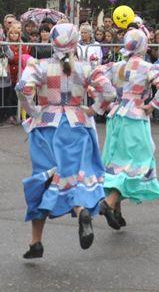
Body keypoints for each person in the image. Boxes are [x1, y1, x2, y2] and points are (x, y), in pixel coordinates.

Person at [15, 24, 117, 258]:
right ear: (75, 41)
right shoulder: (87, 67)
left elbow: (23, 88)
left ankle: (36, 242)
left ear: (52, 41)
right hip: (77, 124)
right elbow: (109, 93)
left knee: (44, 179)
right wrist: (93, 110)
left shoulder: (39, 66)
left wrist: (33, 111)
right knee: (71, 176)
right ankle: (80, 210)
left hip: (46, 127)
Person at [98, 29, 159, 230]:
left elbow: (96, 79)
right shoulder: (148, 67)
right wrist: (153, 105)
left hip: (116, 115)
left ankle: (117, 210)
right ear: (143, 46)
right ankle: (109, 203)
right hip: (136, 116)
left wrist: (107, 103)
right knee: (139, 163)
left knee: (117, 162)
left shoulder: (116, 66)